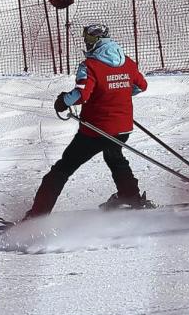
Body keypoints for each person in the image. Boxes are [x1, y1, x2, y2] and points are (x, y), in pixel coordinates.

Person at [23, 24, 153, 219]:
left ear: (96, 42)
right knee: (115, 157)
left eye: (89, 40)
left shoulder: (89, 66)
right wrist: (119, 93)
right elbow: (141, 86)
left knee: (62, 169)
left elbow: (81, 95)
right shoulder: (127, 62)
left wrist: (63, 101)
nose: (86, 43)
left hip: (96, 130)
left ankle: (38, 215)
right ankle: (131, 195)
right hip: (122, 127)